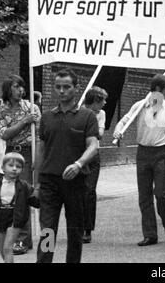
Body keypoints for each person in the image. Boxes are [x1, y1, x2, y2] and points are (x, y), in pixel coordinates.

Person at [35, 69, 99, 263]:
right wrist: (36, 183)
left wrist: (79, 164)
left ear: (76, 88)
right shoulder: (46, 117)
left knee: (75, 231)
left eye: (66, 87)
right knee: (48, 230)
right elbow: (41, 150)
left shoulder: (87, 116)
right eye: (58, 87)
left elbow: (93, 146)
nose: (61, 91)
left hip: (76, 182)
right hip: (49, 182)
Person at [113, 74, 165, 246]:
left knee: (161, 193)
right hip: (143, 153)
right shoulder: (140, 105)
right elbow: (124, 121)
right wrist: (118, 130)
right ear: (157, 90)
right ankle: (150, 234)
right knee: (144, 196)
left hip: (161, 153)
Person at [0, 74, 40, 255]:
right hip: (11, 152)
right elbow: (4, 134)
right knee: (11, 194)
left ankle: (22, 240)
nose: (21, 90)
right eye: (16, 87)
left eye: (22, 86)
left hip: (28, 151)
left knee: (23, 194)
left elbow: (40, 132)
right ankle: (22, 239)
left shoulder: (31, 107)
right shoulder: (0, 111)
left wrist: (38, 157)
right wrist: (24, 121)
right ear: (7, 89)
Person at [0, 152, 39, 263]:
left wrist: (45, 201)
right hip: (1, 217)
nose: (14, 169)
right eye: (11, 166)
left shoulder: (24, 186)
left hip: (15, 218)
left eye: (18, 167)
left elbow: (33, 200)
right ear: (3, 168)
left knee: (8, 247)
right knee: (3, 250)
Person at [81, 86, 108, 244]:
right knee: (77, 192)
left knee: (89, 191)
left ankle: (87, 229)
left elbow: (100, 134)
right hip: (78, 155)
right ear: (94, 101)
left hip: (93, 156)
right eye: (102, 100)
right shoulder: (79, 111)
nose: (104, 103)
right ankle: (77, 226)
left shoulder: (101, 114)